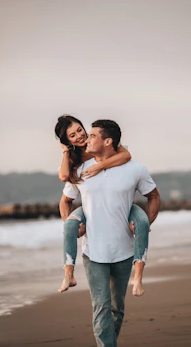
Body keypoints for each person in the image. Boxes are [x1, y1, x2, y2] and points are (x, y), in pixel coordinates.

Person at [60, 119, 160, 347]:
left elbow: (153, 196)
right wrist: (73, 226)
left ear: (108, 141)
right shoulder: (80, 169)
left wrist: (147, 221)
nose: (85, 138)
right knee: (101, 308)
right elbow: (65, 201)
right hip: (93, 252)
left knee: (117, 309)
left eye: (92, 135)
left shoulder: (135, 168)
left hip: (124, 252)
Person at [55, 115, 154, 296]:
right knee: (69, 224)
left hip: (119, 203)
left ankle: (138, 276)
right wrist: (66, 151)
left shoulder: (102, 146)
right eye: (72, 135)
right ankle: (68, 273)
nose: (80, 135)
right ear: (67, 141)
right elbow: (63, 178)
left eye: (79, 129)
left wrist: (99, 167)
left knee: (142, 221)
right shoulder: (76, 160)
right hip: (90, 207)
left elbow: (126, 155)